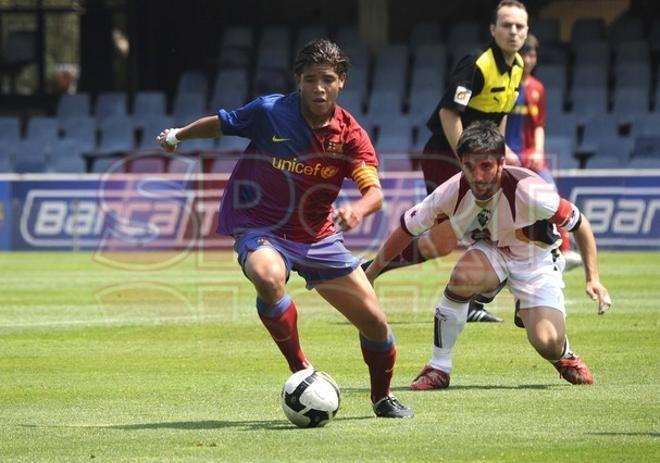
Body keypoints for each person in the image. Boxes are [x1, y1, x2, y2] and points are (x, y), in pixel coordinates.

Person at [157, 39, 413, 418]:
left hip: (317, 236)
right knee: (267, 274)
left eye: (327, 79)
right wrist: (178, 136)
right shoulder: (270, 112)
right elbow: (221, 124)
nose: (319, 88)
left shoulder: (350, 136)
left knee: (376, 324)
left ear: (341, 81)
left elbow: (373, 192)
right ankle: (301, 370)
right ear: (299, 80)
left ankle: (382, 398)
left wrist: (357, 211)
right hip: (260, 225)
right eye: (310, 79)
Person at [365, 120, 612, 390]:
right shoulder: (451, 191)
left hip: (535, 260)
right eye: (469, 166)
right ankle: (438, 367)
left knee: (546, 342)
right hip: (492, 251)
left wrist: (594, 278)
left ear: (500, 163)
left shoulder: (531, 192)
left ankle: (563, 354)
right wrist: (372, 272)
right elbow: (405, 229)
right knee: (463, 275)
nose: (477, 176)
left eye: (486, 167)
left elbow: (580, 224)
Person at [364, 0, 529, 323]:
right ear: (492, 30)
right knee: (484, 229)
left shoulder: (518, 65)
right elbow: (448, 112)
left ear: (527, 31)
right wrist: (467, 159)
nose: (513, 32)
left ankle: (368, 271)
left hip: (479, 159)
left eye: (519, 26)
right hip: (445, 155)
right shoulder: (477, 64)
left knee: (442, 243)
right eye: (506, 25)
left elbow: (501, 114)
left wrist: (502, 151)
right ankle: (481, 300)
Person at [505, 33, 583, 271]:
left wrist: (538, 151)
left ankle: (565, 252)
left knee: (551, 194)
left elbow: (539, 124)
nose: (531, 59)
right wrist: (505, 150)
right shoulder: (505, 83)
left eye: (533, 54)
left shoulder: (538, 88)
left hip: (531, 156)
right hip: (507, 157)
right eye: (527, 54)